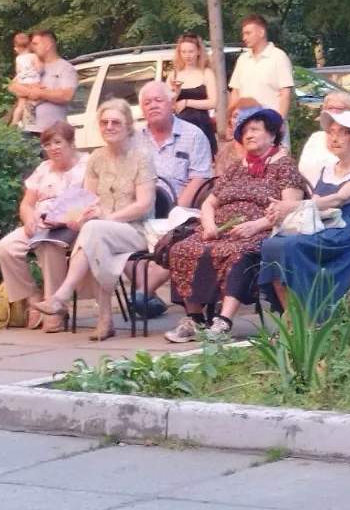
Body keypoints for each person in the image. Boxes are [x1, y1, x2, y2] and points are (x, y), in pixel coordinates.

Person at [163, 107, 304, 343]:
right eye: (245, 131)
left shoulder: (284, 166)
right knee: (182, 248)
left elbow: (289, 207)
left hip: (262, 231)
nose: (248, 135)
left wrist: (256, 226)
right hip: (221, 230)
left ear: (271, 135)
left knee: (239, 251)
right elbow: (209, 203)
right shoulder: (236, 167)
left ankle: (224, 321)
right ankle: (195, 319)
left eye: (255, 129)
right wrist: (208, 225)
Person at [32, 99, 156, 341]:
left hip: (136, 229)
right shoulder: (97, 158)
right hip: (101, 230)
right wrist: (77, 217)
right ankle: (104, 321)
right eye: (104, 122)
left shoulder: (142, 157)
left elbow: (144, 204)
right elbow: (86, 199)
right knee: (94, 233)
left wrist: (107, 217)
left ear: (128, 125)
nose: (109, 126)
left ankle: (62, 296)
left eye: (115, 122)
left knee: (95, 230)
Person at [260, 111, 350, 317]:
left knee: (292, 246)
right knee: (273, 244)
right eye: (332, 132)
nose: (334, 138)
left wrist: (292, 206)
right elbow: (315, 203)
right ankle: (293, 317)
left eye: (343, 133)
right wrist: (281, 213)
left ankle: (305, 318)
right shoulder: (328, 168)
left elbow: (341, 198)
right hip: (325, 226)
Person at [0, 121, 88, 333]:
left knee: (48, 244)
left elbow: (90, 199)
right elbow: (27, 203)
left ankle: (55, 306)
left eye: (58, 142)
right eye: (47, 144)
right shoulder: (43, 169)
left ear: (71, 142)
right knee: (6, 247)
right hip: (42, 224)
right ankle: (33, 298)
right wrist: (29, 219)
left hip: (73, 225)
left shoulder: (86, 166)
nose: (53, 148)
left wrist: (63, 218)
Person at [131, 81, 212, 318]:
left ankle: (141, 293)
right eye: (147, 102)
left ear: (172, 103)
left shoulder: (193, 135)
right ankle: (146, 296)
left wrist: (175, 212)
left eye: (158, 100)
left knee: (176, 236)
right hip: (140, 210)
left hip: (180, 211)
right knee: (113, 240)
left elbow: (199, 178)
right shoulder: (134, 138)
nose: (153, 106)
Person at [228, 15, 295, 147]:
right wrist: (231, 119)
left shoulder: (278, 57)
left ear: (261, 32)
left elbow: (285, 93)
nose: (244, 38)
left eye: (248, 33)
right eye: (243, 34)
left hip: (270, 124)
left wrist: (279, 123)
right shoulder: (242, 60)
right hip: (245, 125)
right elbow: (236, 91)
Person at [7, 30, 78, 137]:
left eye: (36, 44)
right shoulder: (31, 65)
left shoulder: (65, 68)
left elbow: (66, 95)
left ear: (48, 45)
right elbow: (12, 87)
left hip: (54, 132)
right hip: (28, 131)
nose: (32, 47)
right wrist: (31, 92)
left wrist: (40, 94)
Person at [298, 91, 350, 185]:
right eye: (329, 108)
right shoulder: (316, 137)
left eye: (339, 108)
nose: (333, 112)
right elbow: (302, 169)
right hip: (311, 192)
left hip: (349, 193)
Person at [166, 33, 218, 155]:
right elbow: (168, 106)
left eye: (191, 51)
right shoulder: (174, 75)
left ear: (199, 51)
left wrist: (187, 102)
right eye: (183, 52)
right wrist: (176, 92)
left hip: (202, 125)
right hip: (180, 127)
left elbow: (213, 102)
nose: (187, 56)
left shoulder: (206, 73)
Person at [214, 97, 260, 179]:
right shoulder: (225, 151)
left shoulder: (268, 148)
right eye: (235, 116)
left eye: (244, 116)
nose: (239, 120)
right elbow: (218, 182)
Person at [9, 32, 43, 128]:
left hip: (22, 84)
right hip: (34, 84)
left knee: (21, 105)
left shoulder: (18, 59)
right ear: (29, 45)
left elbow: (18, 71)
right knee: (35, 103)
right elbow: (39, 70)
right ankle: (33, 122)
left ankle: (14, 123)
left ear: (16, 47)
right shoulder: (34, 56)